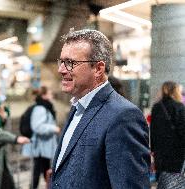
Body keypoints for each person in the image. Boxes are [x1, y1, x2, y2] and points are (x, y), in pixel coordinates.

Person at [51, 29, 150, 189]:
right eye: (61, 62)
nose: (61, 69)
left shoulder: (123, 116)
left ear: (98, 69)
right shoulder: (77, 108)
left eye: (70, 63)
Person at [22, 86, 60, 189]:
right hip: (39, 146)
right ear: (44, 95)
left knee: (44, 170)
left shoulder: (45, 107)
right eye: (50, 93)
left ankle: (48, 186)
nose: (52, 95)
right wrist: (53, 128)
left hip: (43, 146)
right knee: (38, 171)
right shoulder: (40, 108)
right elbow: (37, 127)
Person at [150, 81, 185, 180]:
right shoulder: (179, 107)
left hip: (160, 151)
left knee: (162, 179)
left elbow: (153, 130)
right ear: (175, 91)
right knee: (176, 179)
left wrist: (153, 149)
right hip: (176, 150)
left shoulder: (156, 107)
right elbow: (182, 130)